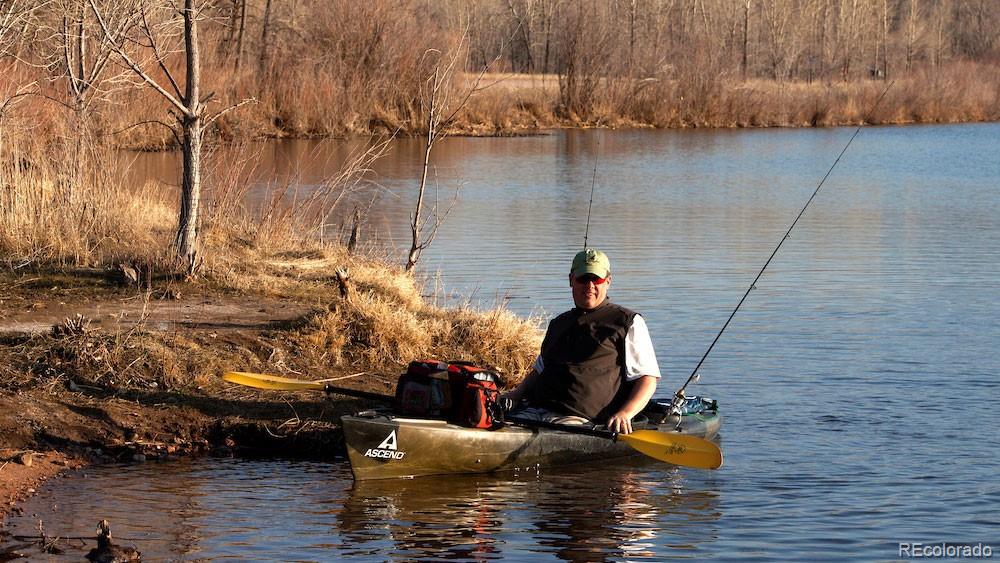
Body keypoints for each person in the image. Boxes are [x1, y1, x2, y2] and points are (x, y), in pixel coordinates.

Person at [503, 248, 660, 434]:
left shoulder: (627, 322)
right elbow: (540, 370)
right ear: (571, 280)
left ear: (608, 281)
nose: (590, 285)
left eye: (597, 279)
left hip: (580, 420)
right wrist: (515, 394)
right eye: (583, 279)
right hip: (536, 411)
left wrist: (625, 414)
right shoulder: (558, 323)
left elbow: (647, 379)